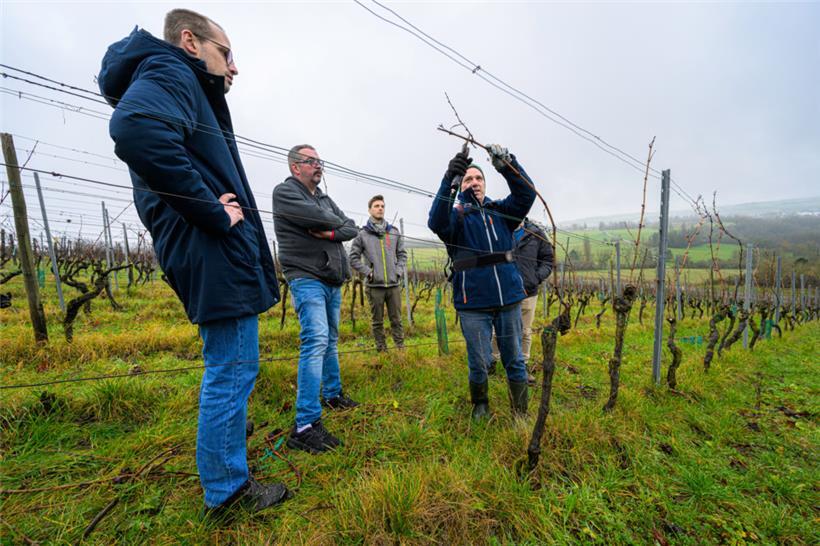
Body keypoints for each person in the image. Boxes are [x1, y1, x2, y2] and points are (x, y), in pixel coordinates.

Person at [99, 9, 290, 515]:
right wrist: (211, 210)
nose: (233, 66)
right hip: (210, 249)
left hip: (207, 250)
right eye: (226, 52)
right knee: (230, 369)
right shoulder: (172, 73)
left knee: (232, 367)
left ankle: (228, 465)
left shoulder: (178, 81)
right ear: (190, 41)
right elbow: (134, 129)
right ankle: (227, 491)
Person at [428, 145, 536, 421]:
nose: (474, 182)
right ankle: (480, 405)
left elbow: (527, 194)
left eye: (478, 179)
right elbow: (435, 220)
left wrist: (507, 165)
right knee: (479, 360)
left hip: (509, 299)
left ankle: (520, 412)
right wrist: (449, 182)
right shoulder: (456, 218)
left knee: (514, 359)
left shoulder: (502, 212)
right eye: (468, 179)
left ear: (485, 184)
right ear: (461, 184)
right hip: (473, 303)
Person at [272, 144, 360, 454]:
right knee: (316, 339)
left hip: (331, 279)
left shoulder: (323, 197)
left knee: (330, 339)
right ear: (296, 167)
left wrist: (331, 232)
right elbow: (314, 216)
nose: (318, 165)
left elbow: (351, 227)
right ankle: (305, 425)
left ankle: (332, 394)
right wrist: (327, 221)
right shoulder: (285, 193)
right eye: (311, 161)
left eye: (319, 160)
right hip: (306, 277)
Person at [489, 218, 554, 384]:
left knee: (525, 330)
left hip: (528, 290)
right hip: (503, 290)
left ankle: (523, 364)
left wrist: (536, 277)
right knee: (499, 330)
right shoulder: (499, 229)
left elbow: (548, 259)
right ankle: (492, 361)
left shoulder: (536, 233)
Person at [349, 195, 408, 352]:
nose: (380, 208)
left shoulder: (393, 232)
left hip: (393, 284)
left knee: (397, 320)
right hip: (375, 286)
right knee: (377, 321)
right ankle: (382, 350)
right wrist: (368, 272)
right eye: (376, 206)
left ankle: (400, 349)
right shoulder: (362, 234)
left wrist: (398, 271)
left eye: (382, 206)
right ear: (369, 210)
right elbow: (353, 258)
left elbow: (402, 254)